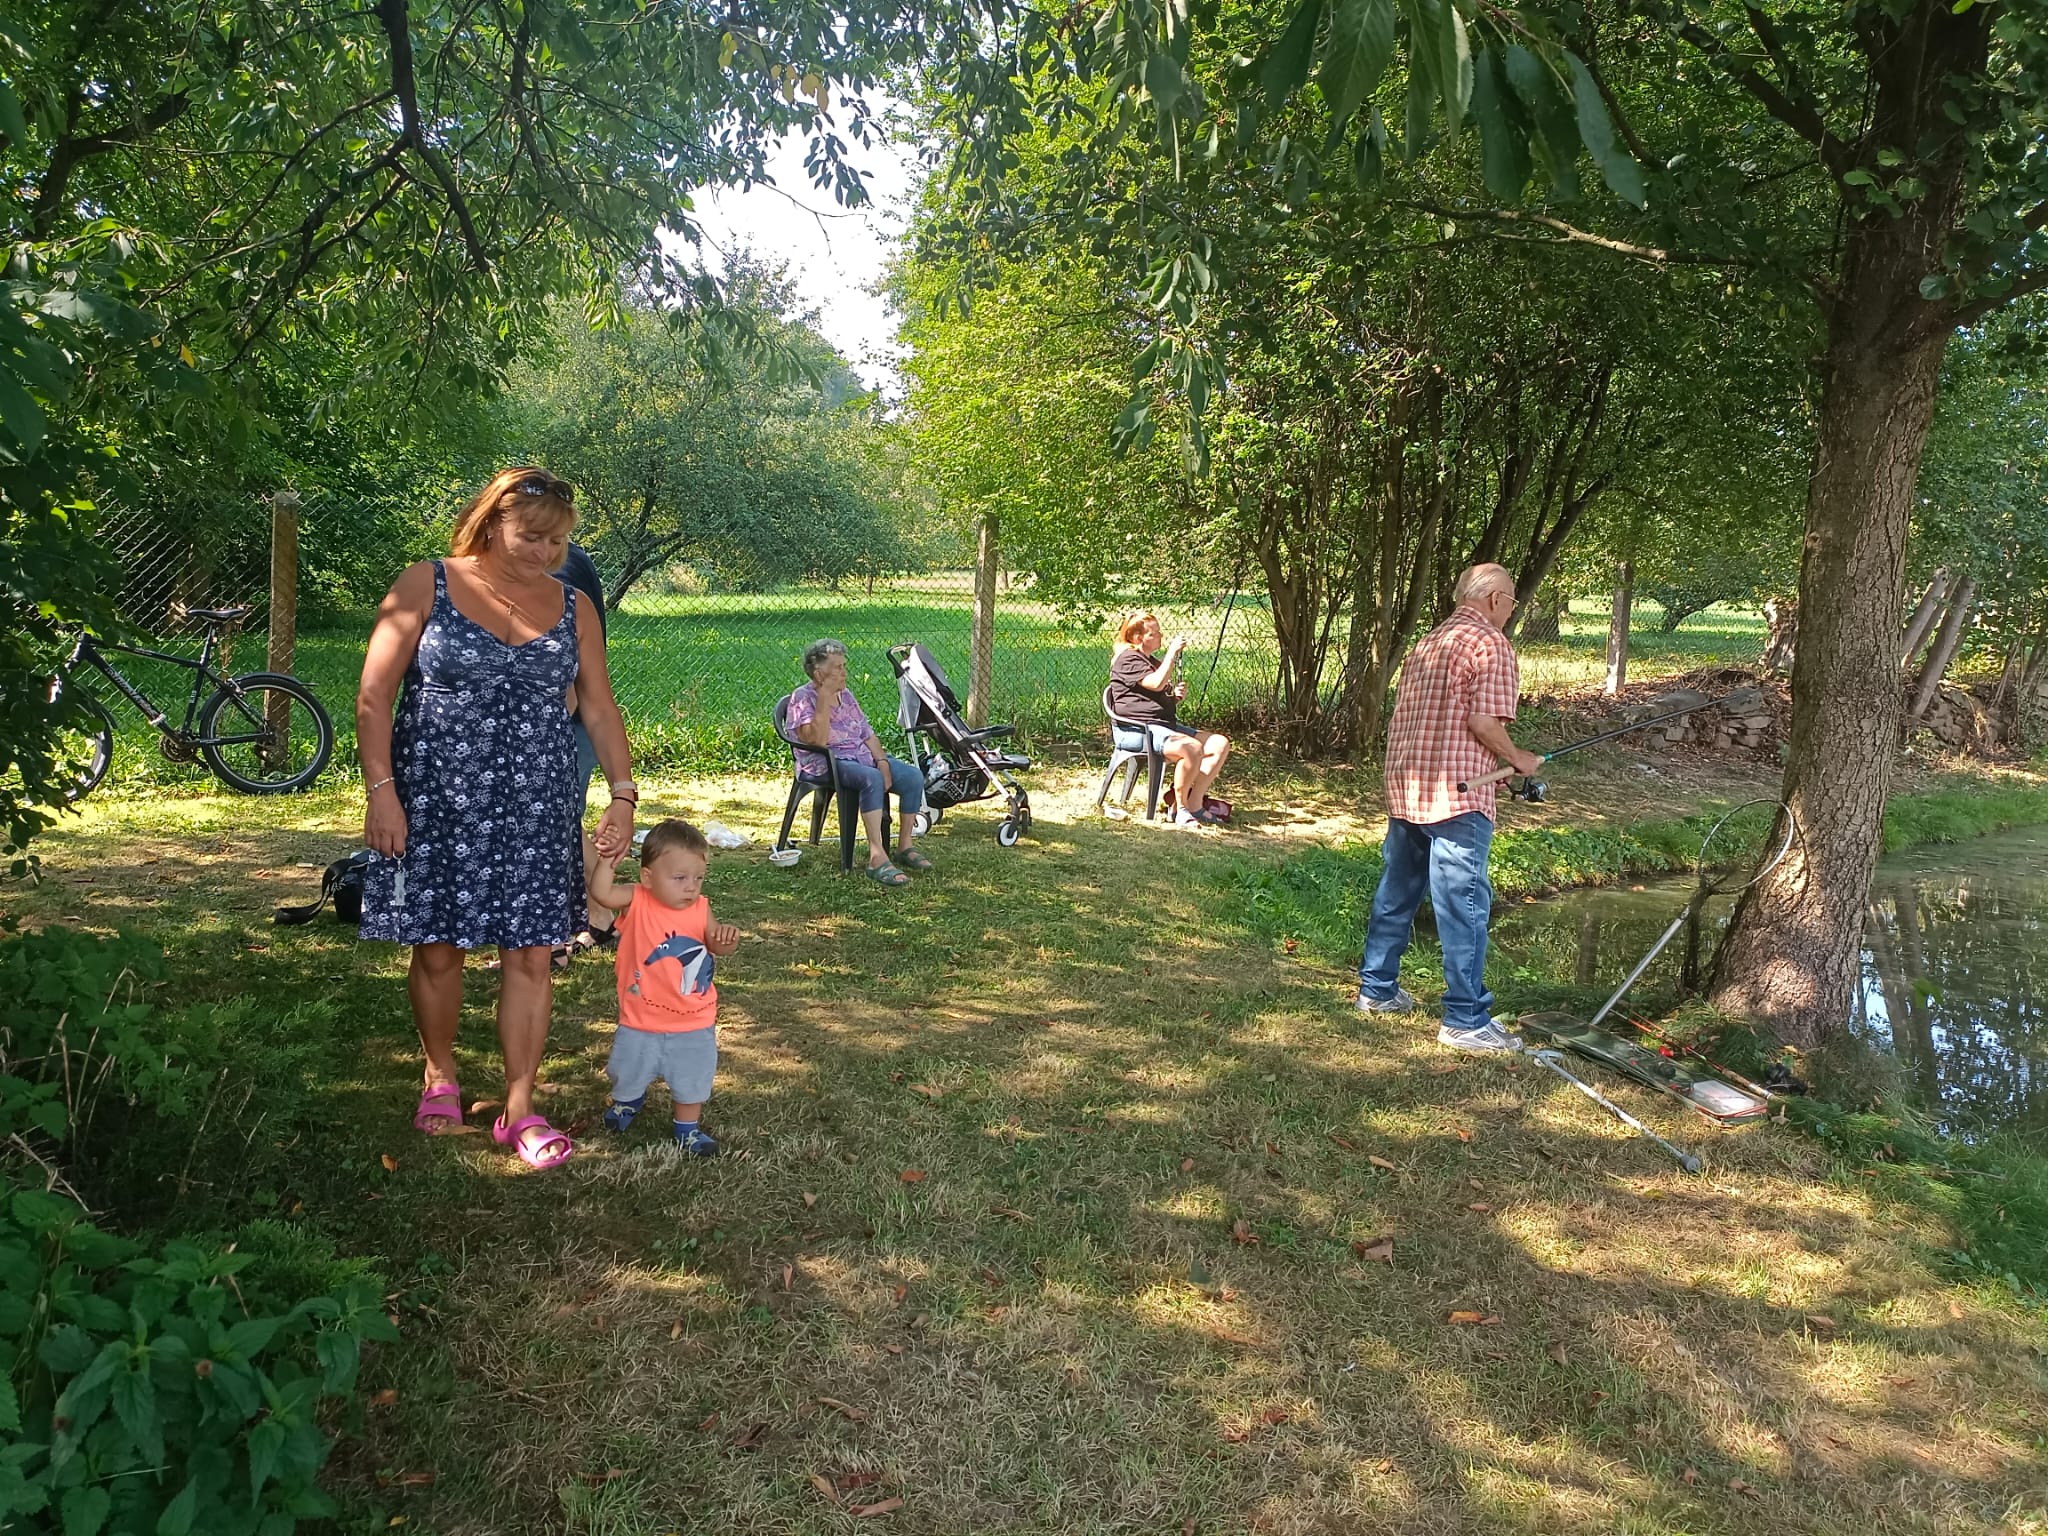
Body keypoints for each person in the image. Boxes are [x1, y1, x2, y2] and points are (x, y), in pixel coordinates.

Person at [356, 467, 637, 1170]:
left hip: (537, 805)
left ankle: (520, 1106)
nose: (545, 552)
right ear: (490, 523)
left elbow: (599, 706)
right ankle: (440, 1075)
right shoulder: (426, 584)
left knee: (533, 953)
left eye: (557, 541)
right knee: (438, 947)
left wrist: (622, 793)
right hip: (437, 800)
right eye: (531, 537)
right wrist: (382, 791)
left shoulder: (575, 606)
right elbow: (373, 697)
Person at [1355, 563, 1542, 1053]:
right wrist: (1518, 759)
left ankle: (1377, 990)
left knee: (1397, 892)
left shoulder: (1428, 643)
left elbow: (1437, 722)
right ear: (1496, 599)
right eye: (1512, 602)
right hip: (1458, 798)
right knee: (1465, 905)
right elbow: (1482, 722)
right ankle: (1465, 1019)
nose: (1511, 611)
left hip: (1408, 786)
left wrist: (1497, 762)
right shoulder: (1490, 644)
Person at [589, 818, 740, 1155]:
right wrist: (607, 861)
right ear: (648, 877)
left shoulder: (701, 908)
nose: (691, 887)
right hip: (640, 1017)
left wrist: (726, 941)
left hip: (693, 1019)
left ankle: (688, 1128)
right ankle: (628, 1101)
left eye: (698, 878)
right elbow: (601, 893)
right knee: (627, 1069)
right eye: (680, 878)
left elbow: (715, 944)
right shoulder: (637, 899)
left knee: (692, 1076)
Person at [787, 639, 931, 887]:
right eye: (838, 667)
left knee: (912, 777)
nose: (845, 672)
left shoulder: (846, 695)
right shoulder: (802, 698)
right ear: (819, 673)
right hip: (826, 763)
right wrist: (824, 696)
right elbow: (817, 741)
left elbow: (867, 734)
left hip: (860, 758)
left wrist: (882, 762)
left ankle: (904, 846)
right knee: (871, 778)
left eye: (844, 665)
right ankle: (877, 856)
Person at [555, 540, 619, 966]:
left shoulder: (553, 571)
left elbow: (569, 670)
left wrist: (542, 740)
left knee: (553, 825)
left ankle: (553, 939)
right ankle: (601, 919)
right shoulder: (567, 553)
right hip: (569, 722)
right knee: (561, 824)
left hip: (566, 723)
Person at [1108, 612, 1232, 827]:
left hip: (1162, 726)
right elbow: (1155, 684)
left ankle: (1193, 804)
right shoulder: (1128, 659)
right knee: (1191, 748)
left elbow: (1153, 695)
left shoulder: (1148, 660)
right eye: (1154, 633)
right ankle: (1181, 810)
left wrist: (1174, 697)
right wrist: (1172, 653)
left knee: (1219, 743)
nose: (1161, 636)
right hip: (1138, 729)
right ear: (1138, 638)